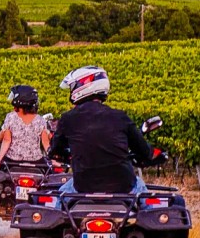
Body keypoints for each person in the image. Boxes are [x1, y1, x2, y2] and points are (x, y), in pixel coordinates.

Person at [48, 66, 160, 196]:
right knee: (149, 204)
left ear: (82, 86)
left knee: (55, 203)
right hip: (124, 186)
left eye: (73, 87)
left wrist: (63, 155)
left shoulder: (67, 119)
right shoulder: (120, 117)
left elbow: (55, 150)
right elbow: (144, 151)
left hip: (83, 187)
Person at [0, 85, 51, 165]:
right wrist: (53, 160)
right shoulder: (40, 120)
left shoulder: (11, 117)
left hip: (12, 160)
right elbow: (45, 142)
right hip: (35, 161)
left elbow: (7, 140)